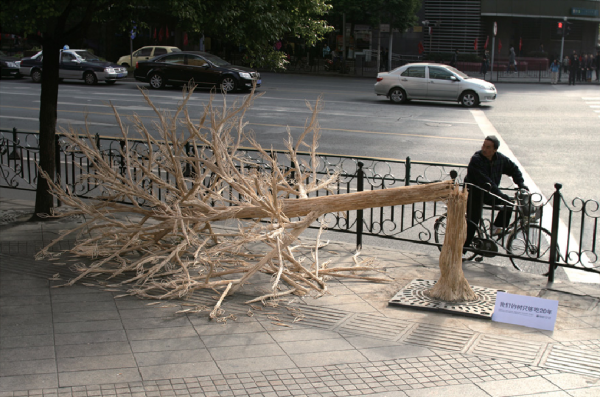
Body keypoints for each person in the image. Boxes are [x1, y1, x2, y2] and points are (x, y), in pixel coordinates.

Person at [464, 136, 528, 249]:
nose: (484, 149)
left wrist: (521, 184)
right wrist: (499, 194)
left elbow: (514, 169)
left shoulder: (500, 159)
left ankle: (497, 227)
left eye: (488, 147)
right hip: (474, 194)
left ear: (495, 150)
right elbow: (485, 182)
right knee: (472, 223)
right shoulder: (476, 159)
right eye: (483, 145)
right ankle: (461, 251)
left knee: (509, 203)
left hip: (489, 194)